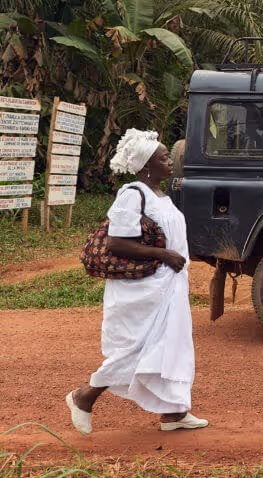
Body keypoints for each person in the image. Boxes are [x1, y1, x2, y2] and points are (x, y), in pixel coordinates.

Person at [65, 129, 208, 434]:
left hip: (169, 287)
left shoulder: (161, 196)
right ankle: (83, 397)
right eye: (164, 158)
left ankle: (174, 413)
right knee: (137, 350)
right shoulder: (133, 194)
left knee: (173, 347)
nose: (171, 161)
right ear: (147, 166)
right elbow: (117, 243)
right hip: (143, 291)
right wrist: (163, 254)